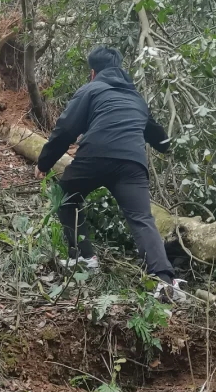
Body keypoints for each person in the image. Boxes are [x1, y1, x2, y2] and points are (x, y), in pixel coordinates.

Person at [36, 45, 186, 298]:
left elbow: (65, 129)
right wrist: (168, 147)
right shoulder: (135, 98)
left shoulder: (91, 90)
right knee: (141, 219)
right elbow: (157, 135)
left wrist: (44, 163)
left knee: (65, 196)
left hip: (95, 156)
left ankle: (84, 257)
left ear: (93, 73)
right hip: (132, 164)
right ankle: (164, 280)